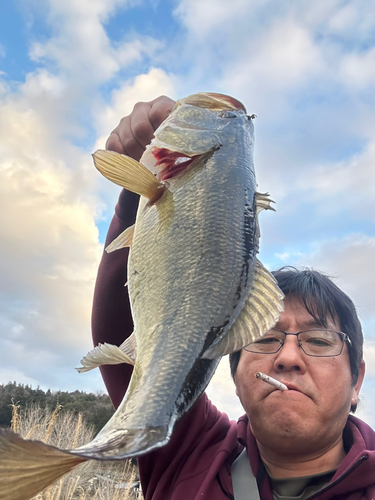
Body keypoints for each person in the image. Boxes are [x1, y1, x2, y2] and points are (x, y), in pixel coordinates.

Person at [92, 96, 375, 500]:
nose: (289, 358)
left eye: (317, 341)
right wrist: (135, 198)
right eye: (264, 337)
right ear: (231, 368)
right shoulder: (189, 450)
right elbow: (124, 328)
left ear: (356, 381)